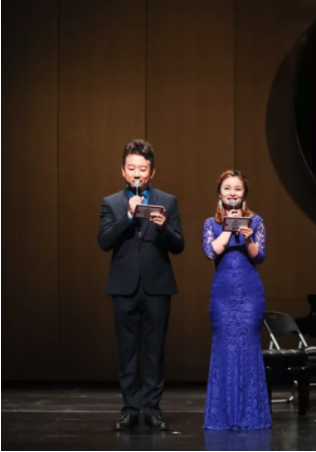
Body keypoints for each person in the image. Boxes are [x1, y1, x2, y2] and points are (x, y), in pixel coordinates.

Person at [97, 139, 184, 431]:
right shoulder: (111, 203)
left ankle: (153, 410)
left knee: (154, 352)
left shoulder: (167, 201)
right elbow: (104, 241)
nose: (137, 174)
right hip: (124, 287)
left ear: (152, 172)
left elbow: (179, 245)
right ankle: (130, 410)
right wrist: (128, 216)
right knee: (127, 352)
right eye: (132, 168)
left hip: (157, 287)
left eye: (142, 169)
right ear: (123, 171)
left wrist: (163, 227)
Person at [202, 169, 272, 430]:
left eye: (237, 189)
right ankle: (222, 417)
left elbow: (259, 256)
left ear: (244, 194)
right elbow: (210, 252)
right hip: (223, 296)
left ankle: (251, 416)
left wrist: (248, 237)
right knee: (224, 349)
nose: (232, 193)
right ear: (220, 193)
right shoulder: (211, 223)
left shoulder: (256, 221)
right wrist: (228, 227)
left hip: (249, 295)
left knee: (248, 349)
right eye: (227, 188)